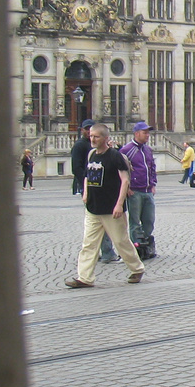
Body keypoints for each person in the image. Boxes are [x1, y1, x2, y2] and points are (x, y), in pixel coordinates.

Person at [65, 123, 145, 288]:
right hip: (93, 207)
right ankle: (85, 278)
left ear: (106, 138)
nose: (93, 139)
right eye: (91, 136)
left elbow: (125, 180)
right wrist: (86, 193)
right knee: (89, 243)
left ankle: (137, 268)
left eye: (97, 136)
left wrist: (119, 204)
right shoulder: (91, 154)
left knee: (120, 241)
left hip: (111, 208)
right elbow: (87, 175)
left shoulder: (115, 156)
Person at [119, 121, 159, 260]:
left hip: (148, 189)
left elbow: (152, 167)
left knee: (149, 220)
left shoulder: (148, 150)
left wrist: (153, 183)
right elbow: (121, 170)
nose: (147, 135)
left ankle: (146, 243)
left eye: (148, 132)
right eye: (145, 132)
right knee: (135, 221)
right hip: (135, 191)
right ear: (136, 133)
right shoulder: (126, 150)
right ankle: (136, 246)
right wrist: (127, 187)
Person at [70, 118, 94, 197]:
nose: (89, 131)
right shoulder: (79, 145)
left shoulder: (95, 143)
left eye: (91, 129)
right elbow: (76, 167)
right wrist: (85, 181)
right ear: (82, 130)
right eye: (87, 129)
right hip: (87, 183)